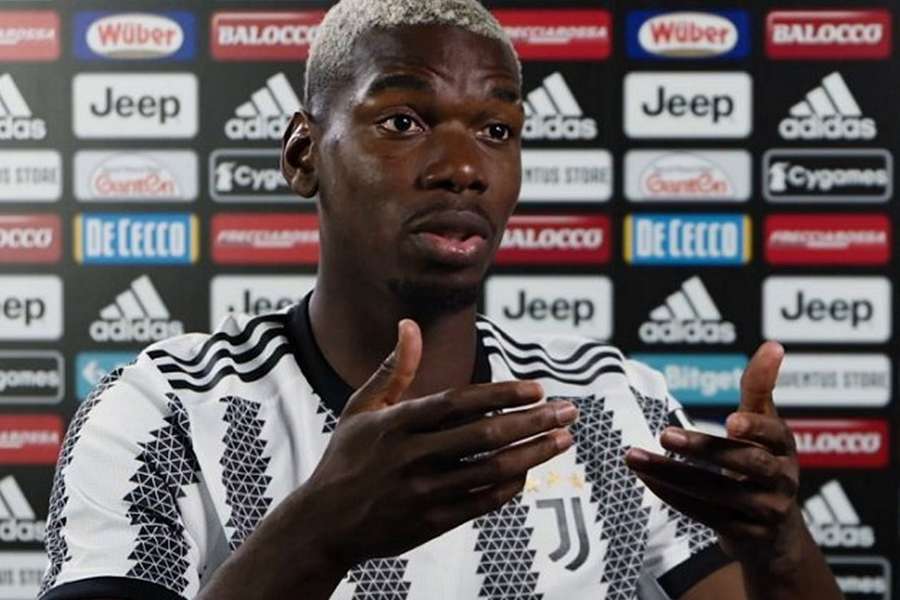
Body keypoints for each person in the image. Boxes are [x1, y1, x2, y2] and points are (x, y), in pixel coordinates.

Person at [39, 1, 843, 599]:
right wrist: (317, 534)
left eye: (496, 130)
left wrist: (780, 547)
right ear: (302, 153)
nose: (463, 167)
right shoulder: (165, 409)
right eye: (404, 120)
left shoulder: (613, 407)